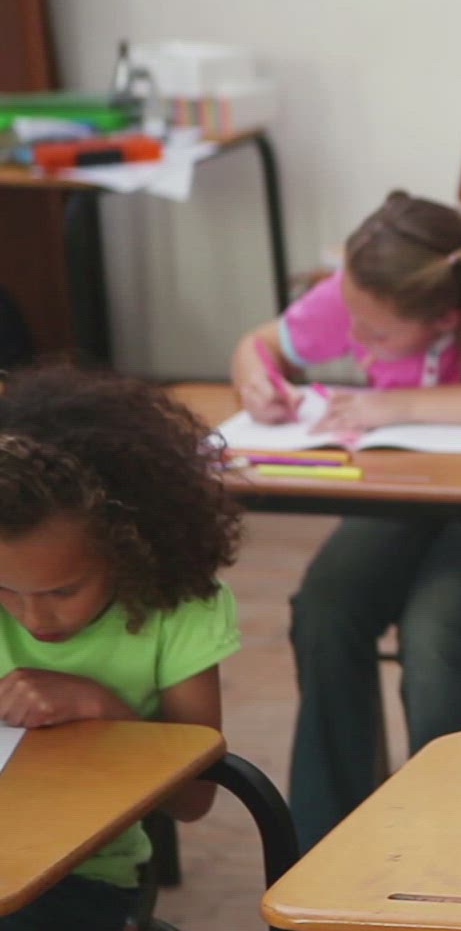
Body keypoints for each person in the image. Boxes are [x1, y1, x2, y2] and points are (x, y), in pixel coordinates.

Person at [233, 190, 461, 850]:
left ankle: (449, 841)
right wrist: (255, 380)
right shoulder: (363, 291)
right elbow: (260, 344)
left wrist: (399, 406)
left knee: (435, 620)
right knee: (325, 606)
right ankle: (325, 844)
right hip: (413, 488)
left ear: (445, 316)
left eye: (376, 337)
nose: (356, 340)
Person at [0, 365, 243, 931]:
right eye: (5, 590)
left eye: (64, 591)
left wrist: (106, 709)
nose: (34, 618)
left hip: (82, 876)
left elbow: (193, 801)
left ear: (126, 550)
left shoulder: (178, 606)